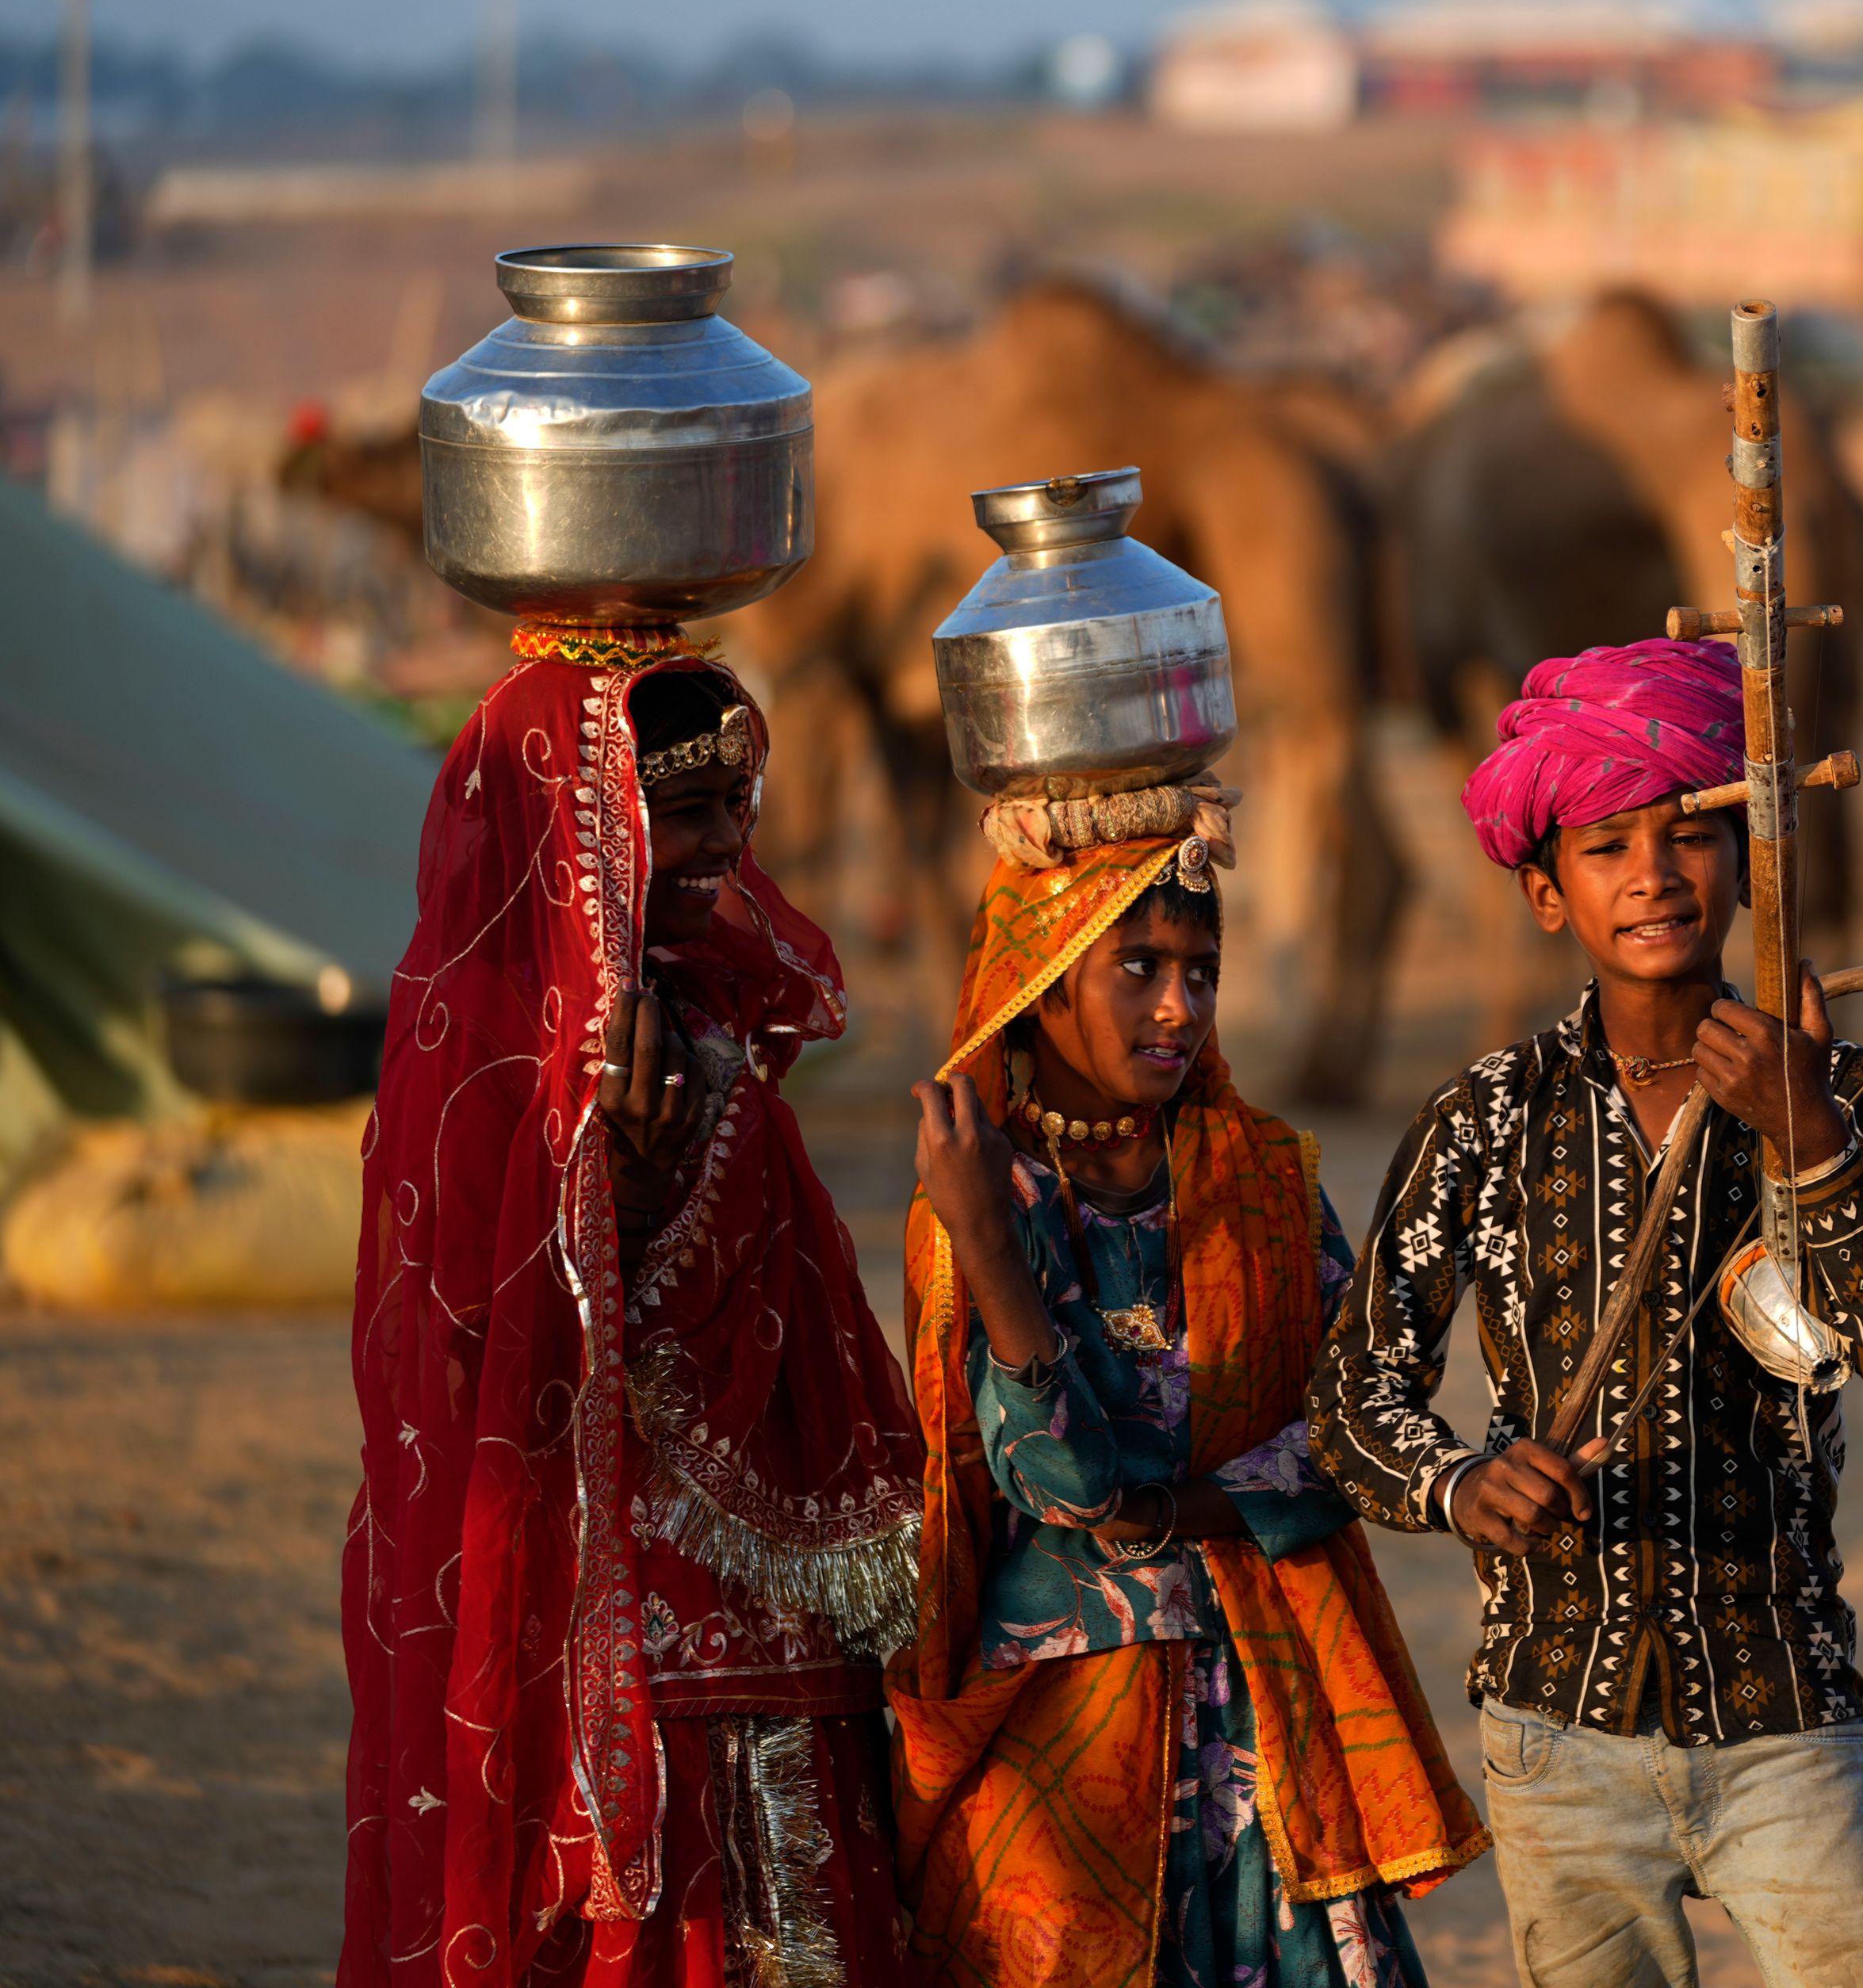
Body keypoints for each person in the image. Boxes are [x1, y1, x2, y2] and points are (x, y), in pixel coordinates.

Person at [1306, 637, 1863, 1988]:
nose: (1656, 874)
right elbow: (1351, 1395)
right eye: (1609, 847)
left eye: (1688, 834)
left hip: (1785, 1698)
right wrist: (1463, 1483)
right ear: (1548, 894)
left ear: (1744, 864)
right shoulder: (1486, 1119)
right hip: (1557, 1719)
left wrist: (1809, 1137)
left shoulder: (1832, 1090)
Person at [343, 636, 924, 1988]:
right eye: (688, 807)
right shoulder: (498, 1057)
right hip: (617, 1601)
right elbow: (481, 1344)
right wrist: (610, 1178)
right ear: (585, 820)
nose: (729, 841)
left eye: (741, 805)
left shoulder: (701, 1015)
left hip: (772, 1613)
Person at [893, 797, 1486, 1988]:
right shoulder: (973, 1198)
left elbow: (1353, 1432)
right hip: (1068, 1717)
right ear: (1045, 976)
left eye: (1203, 972)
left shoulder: (1260, 1171)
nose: (1181, 1005)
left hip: (1264, 1698)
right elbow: (1061, 1483)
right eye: (1140, 967)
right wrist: (992, 1251)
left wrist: (1176, 1517)